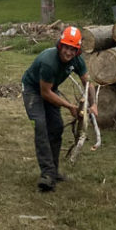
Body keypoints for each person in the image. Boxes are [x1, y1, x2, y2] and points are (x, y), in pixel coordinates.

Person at [21, 25, 97, 192]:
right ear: (60, 45)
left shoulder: (77, 59)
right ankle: (47, 174)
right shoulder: (49, 61)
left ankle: (53, 171)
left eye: (73, 49)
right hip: (33, 90)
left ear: (77, 50)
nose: (68, 52)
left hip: (50, 88)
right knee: (41, 126)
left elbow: (87, 82)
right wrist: (69, 106)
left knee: (56, 127)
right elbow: (45, 93)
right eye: (66, 47)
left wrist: (93, 104)